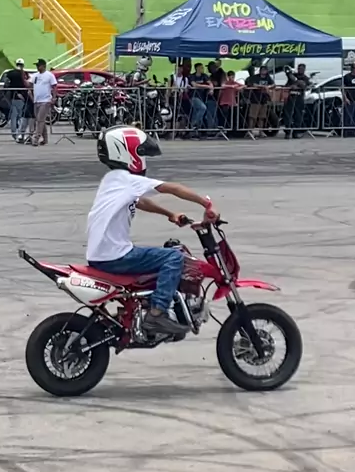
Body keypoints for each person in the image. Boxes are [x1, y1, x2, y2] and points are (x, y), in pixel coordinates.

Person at [86, 125, 219, 339]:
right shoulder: (128, 180)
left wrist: (169, 214)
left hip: (101, 254)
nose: (143, 159)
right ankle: (157, 313)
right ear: (128, 152)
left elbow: (139, 201)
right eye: (141, 153)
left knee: (167, 255)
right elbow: (173, 188)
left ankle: (149, 305)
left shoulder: (113, 179)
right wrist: (207, 204)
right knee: (174, 257)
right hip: (115, 256)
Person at [29, 58, 57, 146]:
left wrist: (54, 98)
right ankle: (45, 139)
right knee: (40, 120)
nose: (37, 67)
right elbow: (29, 84)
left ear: (43, 66)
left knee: (40, 120)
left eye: (39, 65)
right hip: (36, 100)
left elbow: (54, 86)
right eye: (37, 66)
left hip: (45, 100)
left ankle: (36, 138)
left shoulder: (49, 75)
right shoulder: (35, 76)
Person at [246, 65, 274, 137]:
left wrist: (268, 87)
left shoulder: (268, 78)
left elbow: (273, 84)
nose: (263, 71)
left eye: (265, 70)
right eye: (262, 69)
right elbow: (253, 84)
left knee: (262, 117)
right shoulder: (255, 77)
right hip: (255, 99)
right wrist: (262, 86)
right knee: (252, 116)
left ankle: (261, 132)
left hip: (264, 100)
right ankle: (250, 131)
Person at [189, 62, 216, 134]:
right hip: (194, 96)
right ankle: (195, 124)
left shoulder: (204, 76)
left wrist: (211, 89)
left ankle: (194, 132)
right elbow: (194, 85)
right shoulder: (192, 76)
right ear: (197, 68)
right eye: (201, 67)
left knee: (196, 113)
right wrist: (206, 86)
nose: (202, 69)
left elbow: (210, 83)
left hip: (202, 97)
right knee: (202, 108)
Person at [4, 59, 28, 140]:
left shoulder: (10, 73)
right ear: (23, 65)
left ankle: (14, 133)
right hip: (22, 96)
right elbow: (26, 84)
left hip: (12, 96)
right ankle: (20, 133)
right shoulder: (23, 73)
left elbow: (6, 84)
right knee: (21, 116)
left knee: (14, 116)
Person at [283, 63, 309, 138]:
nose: (300, 70)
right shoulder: (293, 75)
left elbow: (303, 85)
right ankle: (287, 132)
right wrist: (291, 86)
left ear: (304, 69)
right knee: (288, 115)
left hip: (299, 98)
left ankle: (296, 132)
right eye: (299, 68)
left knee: (298, 115)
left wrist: (296, 84)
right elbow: (287, 85)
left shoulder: (305, 78)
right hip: (290, 97)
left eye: (302, 69)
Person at [343, 63, 355, 137]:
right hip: (349, 98)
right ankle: (346, 131)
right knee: (348, 115)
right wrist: (345, 98)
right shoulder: (347, 77)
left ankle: (354, 131)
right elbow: (343, 88)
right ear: (353, 69)